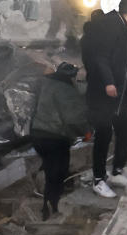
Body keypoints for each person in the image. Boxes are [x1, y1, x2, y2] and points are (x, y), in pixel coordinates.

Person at [83, 0, 127, 198]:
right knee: (104, 134)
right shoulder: (110, 25)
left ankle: (116, 171)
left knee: (125, 129)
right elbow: (101, 56)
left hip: (120, 94)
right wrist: (108, 81)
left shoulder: (121, 26)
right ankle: (98, 179)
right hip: (103, 92)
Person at [30, 62, 89, 220]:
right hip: (55, 138)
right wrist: (87, 131)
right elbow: (73, 118)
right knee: (57, 174)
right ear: (71, 77)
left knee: (51, 173)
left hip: (37, 134)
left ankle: (46, 208)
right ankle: (53, 210)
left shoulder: (46, 84)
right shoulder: (66, 90)